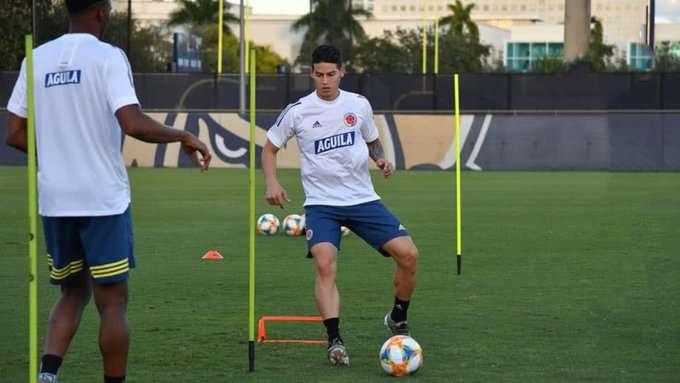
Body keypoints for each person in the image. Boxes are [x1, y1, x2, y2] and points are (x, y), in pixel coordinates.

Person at [5, 0, 212, 382]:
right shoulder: (109, 56)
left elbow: (15, 133)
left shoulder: (36, 57)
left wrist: (55, 152)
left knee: (71, 294)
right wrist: (183, 134)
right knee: (112, 302)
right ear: (102, 13)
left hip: (55, 200)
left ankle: (48, 377)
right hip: (102, 199)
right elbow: (132, 122)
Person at [262, 45, 419, 366]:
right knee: (324, 262)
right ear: (311, 74)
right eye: (318, 74)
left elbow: (372, 139)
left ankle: (398, 316)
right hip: (322, 205)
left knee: (409, 254)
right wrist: (272, 182)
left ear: (342, 72)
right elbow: (269, 149)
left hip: (363, 199)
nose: (325, 81)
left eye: (331, 74)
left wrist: (380, 159)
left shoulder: (358, 105)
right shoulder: (297, 110)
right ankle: (334, 340)